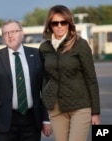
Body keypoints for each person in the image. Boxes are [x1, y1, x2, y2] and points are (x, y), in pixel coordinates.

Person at [0, 19, 52, 141]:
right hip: (4, 122)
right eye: (6, 33)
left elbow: (44, 90)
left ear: (22, 34)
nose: (10, 35)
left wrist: (46, 119)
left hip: (32, 120)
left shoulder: (36, 55)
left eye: (14, 31)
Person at [39, 5, 101, 141]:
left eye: (64, 22)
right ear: (50, 25)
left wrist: (96, 113)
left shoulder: (80, 45)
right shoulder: (44, 48)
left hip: (80, 106)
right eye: (55, 23)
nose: (60, 26)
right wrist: (46, 98)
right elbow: (45, 77)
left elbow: (91, 79)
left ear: (69, 23)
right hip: (55, 108)